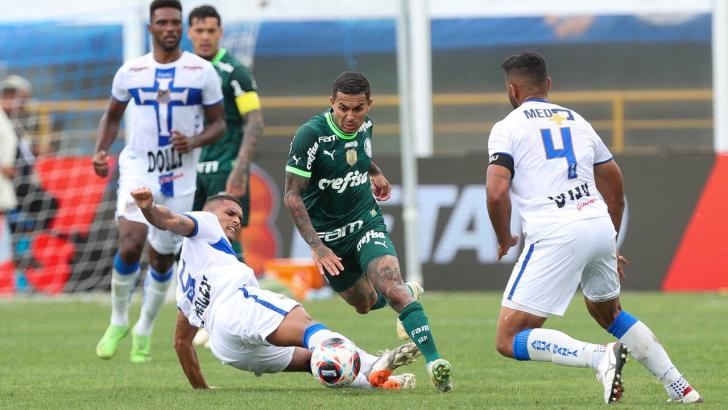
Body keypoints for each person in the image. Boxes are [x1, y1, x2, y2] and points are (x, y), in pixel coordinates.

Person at [485, 51, 702, 404]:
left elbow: (496, 193)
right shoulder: (577, 120)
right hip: (597, 222)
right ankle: (680, 386)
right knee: (608, 312)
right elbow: (615, 191)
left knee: (509, 338)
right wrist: (610, 243)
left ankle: (598, 356)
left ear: (512, 90)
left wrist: (503, 237)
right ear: (549, 84)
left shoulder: (507, 128)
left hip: (556, 231)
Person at [130, 186, 419, 390]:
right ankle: (375, 362)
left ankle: (377, 381)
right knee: (308, 328)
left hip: (227, 349)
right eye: (230, 213)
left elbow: (181, 343)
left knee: (311, 360)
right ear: (209, 212)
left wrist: (202, 389)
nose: (235, 221)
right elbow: (169, 220)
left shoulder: (187, 282)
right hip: (237, 306)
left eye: (239, 219)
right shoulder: (204, 222)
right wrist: (149, 209)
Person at [283, 71, 453, 393]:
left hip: (365, 222)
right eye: (343, 108)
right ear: (331, 103)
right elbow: (292, 195)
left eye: (358, 109)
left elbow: (358, 156)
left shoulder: (366, 127)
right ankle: (406, 294)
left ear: (369, 105)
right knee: (362, 303)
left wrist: (374, 172)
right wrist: (317, 247)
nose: (350, 117)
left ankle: (435, 363)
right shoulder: (311, 135)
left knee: (392, 288)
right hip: (329, 240)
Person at [92, 0, 226, 363]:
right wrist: (101, 151)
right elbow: (112, 116)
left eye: (175, 23)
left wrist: (194, 141)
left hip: (180, 174)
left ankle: (144, 328)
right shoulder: (131, 71)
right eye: (162, 22)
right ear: (151, 28)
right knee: (131, 244)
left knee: (163, 257)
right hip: (139, 169)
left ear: (180, 27)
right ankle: (119, 319)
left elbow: (219, 124)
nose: (169, 28)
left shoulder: (201, 72)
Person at [187, 5, 264, 262]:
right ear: (190, 33)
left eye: (211, 30)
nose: (205, 36)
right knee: (189, 239)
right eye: (200, 30)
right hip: (189, 170)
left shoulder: (235, 73)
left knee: (229, 239)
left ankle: (239, 295)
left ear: (220, 32)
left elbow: (254, 121)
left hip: (224, 168)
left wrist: (240, 168)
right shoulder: (183, 71)